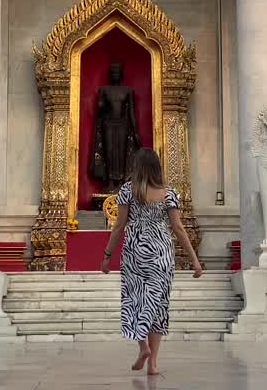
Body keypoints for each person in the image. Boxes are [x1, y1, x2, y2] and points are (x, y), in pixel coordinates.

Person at [101, 147, 203, 376]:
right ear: (157, 167)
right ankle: (153, 364)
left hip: (136, 251)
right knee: (158, 306)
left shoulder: (128, 190)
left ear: (136, 167)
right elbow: (178, 228)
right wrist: (195, 260)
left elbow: (119, 226)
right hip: (161, 252)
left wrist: (107, 256)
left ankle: (143, 347)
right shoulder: (169, 193)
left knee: (135, 300)